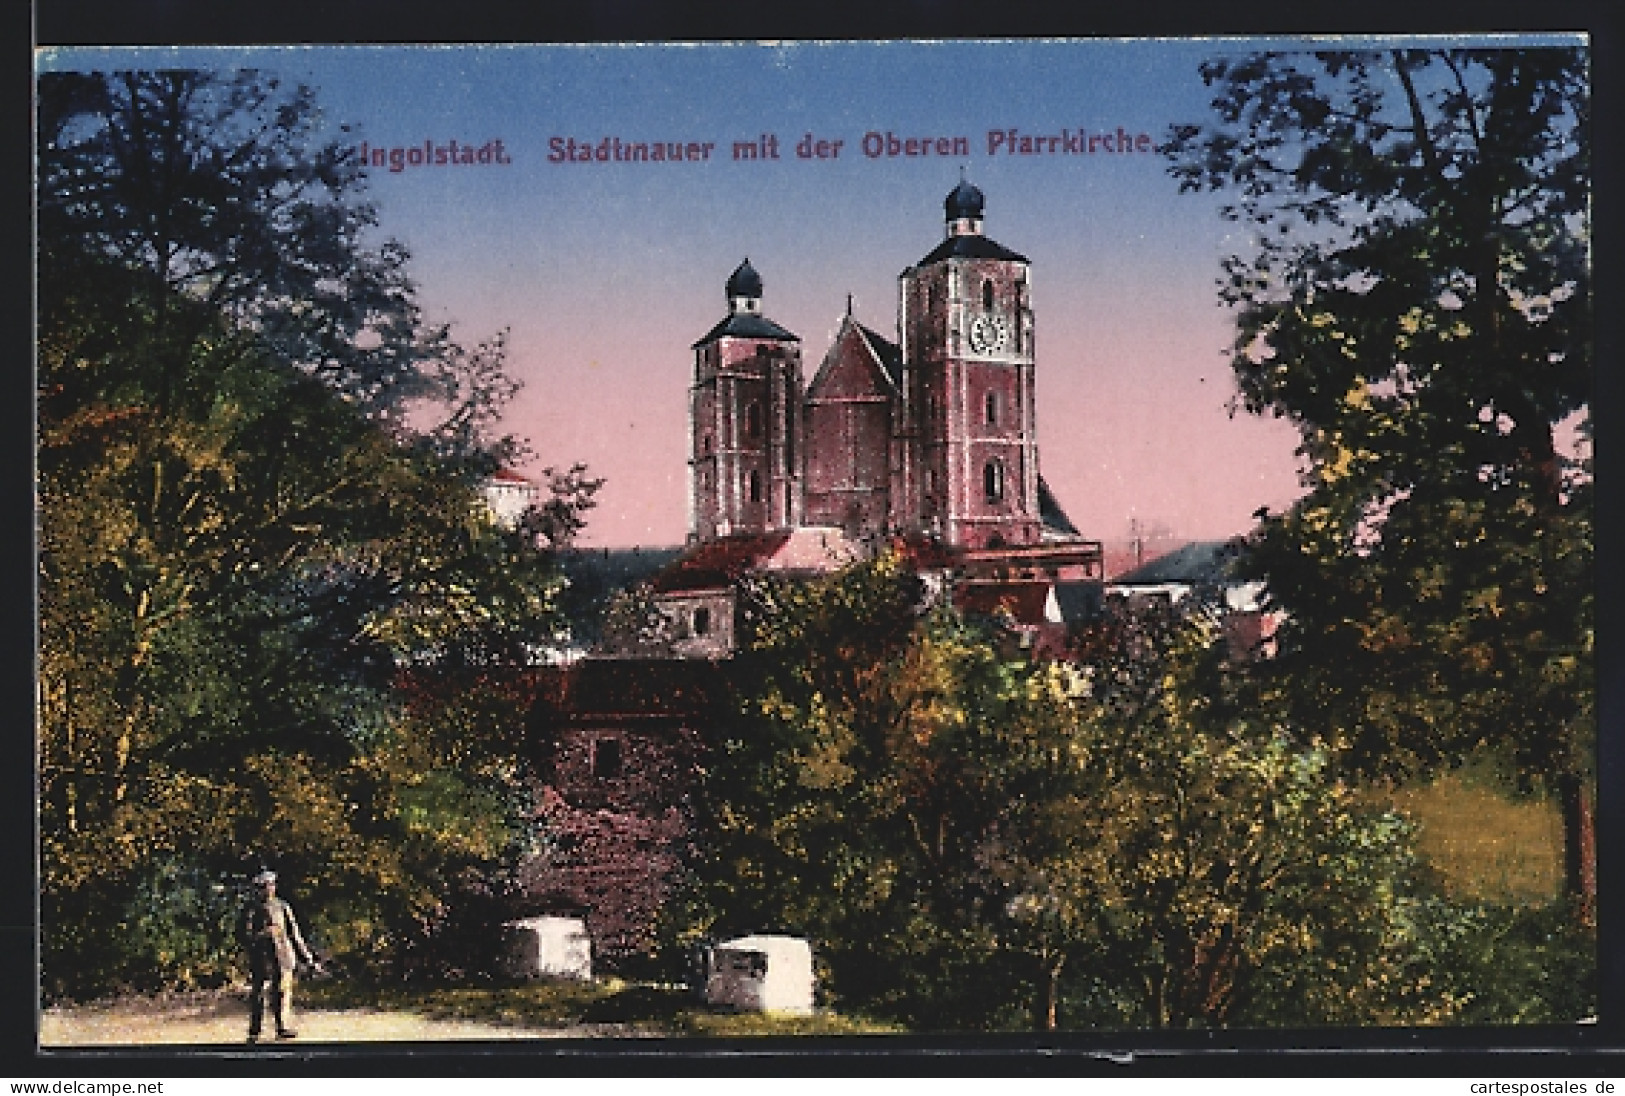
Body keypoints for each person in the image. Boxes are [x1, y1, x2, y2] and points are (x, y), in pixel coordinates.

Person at [237, 869, 321, 1043]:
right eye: (264, 886)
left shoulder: (282, 906)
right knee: (259, 993)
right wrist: (263, 934)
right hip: (261, 957)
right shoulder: (251, 909)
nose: (268, 889)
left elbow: (295, 934)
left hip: (283, 955)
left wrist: (308, 958)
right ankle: (255, 1030)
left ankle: (282, 1026)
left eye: (271, 885)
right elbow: (243, 935)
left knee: (283, 992)